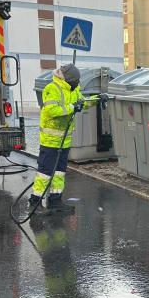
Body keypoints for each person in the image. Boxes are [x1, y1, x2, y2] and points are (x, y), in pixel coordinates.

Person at [29, 63, 106, 213]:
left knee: (59, 172)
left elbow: (82, 103)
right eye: (76, 81)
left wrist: (98, 98)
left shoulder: (73, 89)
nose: (78, 83)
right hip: (50, 141)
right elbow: (52, 110)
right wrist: (72, 108)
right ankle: (35, 202)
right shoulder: (52, 89)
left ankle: (55, 200)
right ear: (69, 80)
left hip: (64, 141)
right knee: (45, 173)